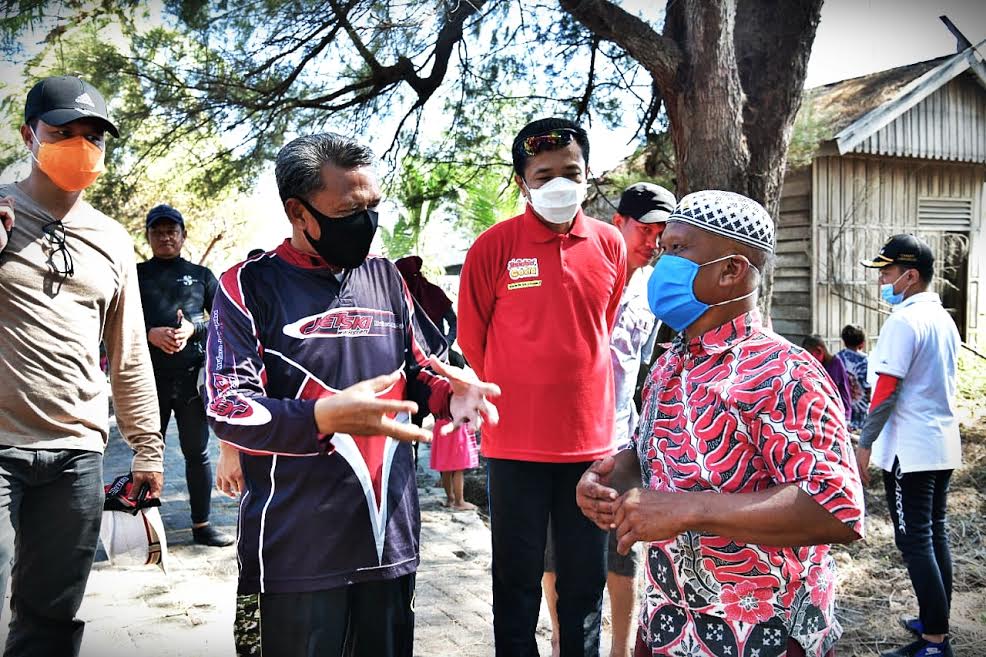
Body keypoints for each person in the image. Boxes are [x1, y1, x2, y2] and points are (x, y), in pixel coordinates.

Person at [204, 132, 500, 657]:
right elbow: (227, 406)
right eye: (348, 210)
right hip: (295, 550)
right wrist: (321, 416)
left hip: (389, 542)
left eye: (373, 207)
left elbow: (415, 369)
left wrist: (450, 397)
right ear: (298, 212)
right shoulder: (246, 286)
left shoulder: (387, 278)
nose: (365, 222)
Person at [577, 190, 864, 657]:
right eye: (663, 248)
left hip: (760, 636)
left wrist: (692, 508)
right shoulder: (671, 362)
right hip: (668, 625)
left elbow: (838, 508)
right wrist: (610, 478)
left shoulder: (784, 372)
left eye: (677, 250)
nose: (660, 263)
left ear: (731, 270)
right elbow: (650, 457)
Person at [0, 75, 164, 656]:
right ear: (28, 136)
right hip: (0, 447)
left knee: (50, 618)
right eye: (62, 132)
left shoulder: (114, 239)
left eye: (92, 135)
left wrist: (147, 448)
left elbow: (130, 352)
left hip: (77, 454)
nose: (80, 145)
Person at [458, 117, 627, 656]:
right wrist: (520, 393)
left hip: (590, 448)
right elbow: (473, 337)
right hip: (515, 446)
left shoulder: (610, 244)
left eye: (571, 171)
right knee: (516, 578)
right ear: (522, 180)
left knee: (584, 581)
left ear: (587, 174)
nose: (559, 183)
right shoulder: (494, 247)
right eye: (544, 173)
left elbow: (602, 322)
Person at [543, 181, 673, 657]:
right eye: (644, 229)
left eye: (662, 232)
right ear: (618, 222)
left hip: (620, 441)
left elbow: (642, 365)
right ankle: (562, 640)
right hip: (565, 441)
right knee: (556, 552)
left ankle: (620, 649)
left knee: (624, 554)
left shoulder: (654, 291)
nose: (653, 241)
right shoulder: (582, 272)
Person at [858, 234, 962, 657]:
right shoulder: (943, 319)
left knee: (915, 540)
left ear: (910, 275)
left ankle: (934, 642)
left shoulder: (904, 321)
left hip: (911, 450)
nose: (882, 279)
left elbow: (886, 389)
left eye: (887, 272)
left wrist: (864, 446)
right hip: (941, 443)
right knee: (934, 535)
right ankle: (935, 619)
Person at [137, 204, 231, 547]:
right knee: (147, 454)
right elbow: (115, 319)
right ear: (148, 236)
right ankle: (147, 532)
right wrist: (150, 333)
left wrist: (193, 328)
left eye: (171, 231)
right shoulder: (135, 275)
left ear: (182, 235)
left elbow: (224, 318)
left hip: (192, 378)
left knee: (197, 453)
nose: (165, 237)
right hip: (148, 380)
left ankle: (202, 525)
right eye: (157, 231)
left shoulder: (202, 275)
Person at [429, 418, 479, 511]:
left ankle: (450, 499)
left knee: (446, 467)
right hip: (456, 425)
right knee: (458, 468)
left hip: (440, 424)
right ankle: (459, 501)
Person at [802, 334, 853, 424]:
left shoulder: (836, 364)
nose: (809, 361)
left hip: (841, 414)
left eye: (810, 356)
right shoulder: (822, 365)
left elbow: (828, 392)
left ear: (819, 351)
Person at [837, 324, 871, 432]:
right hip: (861, 410)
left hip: (842, 409)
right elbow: (868, 387)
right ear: (862, 343)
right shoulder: (866, 360)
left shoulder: (837, 358)